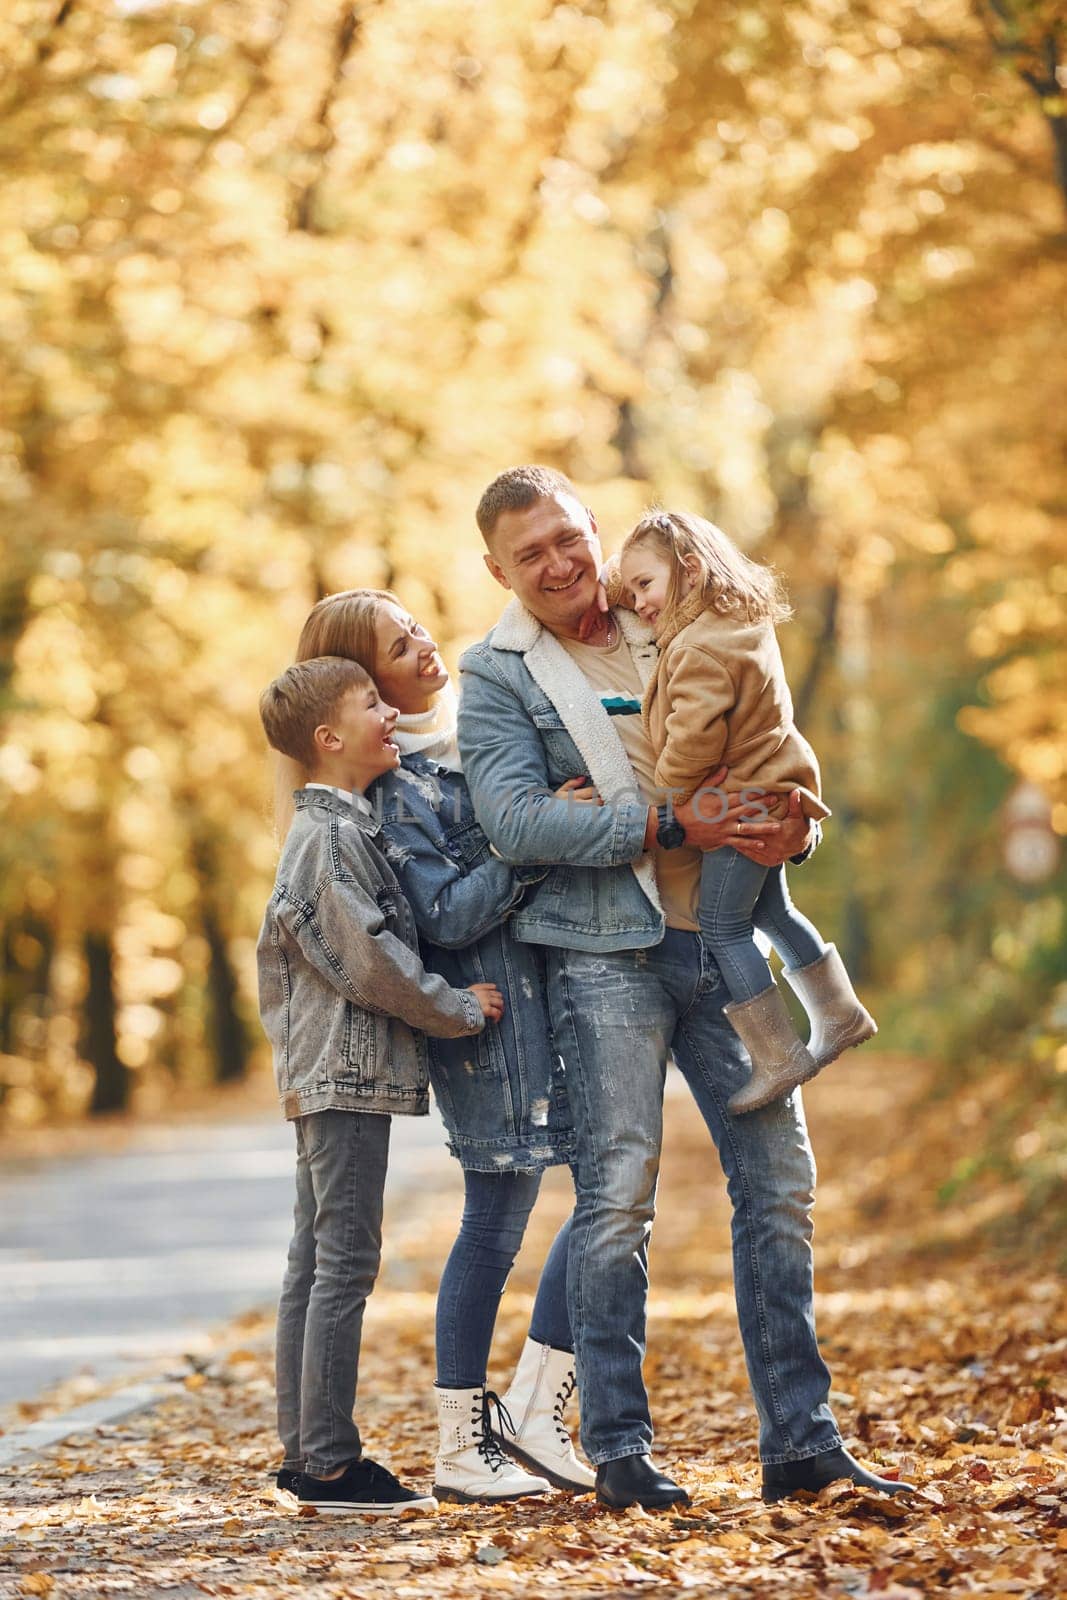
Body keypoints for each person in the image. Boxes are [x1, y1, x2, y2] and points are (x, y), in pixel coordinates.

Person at [458, 464, 913, 1509]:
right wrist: (665, 822)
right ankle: (618, 1449)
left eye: (570, 536)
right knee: (617, 1201)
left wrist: (792, 813)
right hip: (601, 954)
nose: (562, 563)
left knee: (780, 1188)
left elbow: (757, 722)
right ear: (498, 569)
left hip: (720, 940)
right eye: (532, 553)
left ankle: (799, 1441)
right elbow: (514, 822)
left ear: (593, 529)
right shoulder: (496, 675)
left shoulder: (666, 601)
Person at [292, 590, 596, 1504]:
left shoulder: (485, 726)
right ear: (362, 689)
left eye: (418, 626)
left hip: (562, 1002)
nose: (423, 648)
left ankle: (539, 1408)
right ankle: (464, 1442)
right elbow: (444, 917)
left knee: (618, 1188)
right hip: (491, 1026)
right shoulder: (391, 794)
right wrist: (530, 838)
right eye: (397, 647)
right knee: (497, 1225)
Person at [256, 654, 503, 1516]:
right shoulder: (331, 838)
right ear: (330, 739)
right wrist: (457, 1008)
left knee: (316, 1258)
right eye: (371, 705)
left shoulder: (333, 825)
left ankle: (307, 1452)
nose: (388, 714)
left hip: (329, 1069)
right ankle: (327, 1464)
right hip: (345, 1071)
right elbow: (372, 962)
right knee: (343, 1261)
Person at [609, 509, 876, 1114]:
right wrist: (621, 575)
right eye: (630, 589)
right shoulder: (737, 621)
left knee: (723, 922)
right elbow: (643, 576)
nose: (638, 601)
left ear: (692, 569)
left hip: (737, 801)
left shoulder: (698, 651)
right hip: (772, 782)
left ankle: (779, 1056)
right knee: (775, 908)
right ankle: (839, 1013)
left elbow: (694, 738)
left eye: (645, 585)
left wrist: (671, 791)